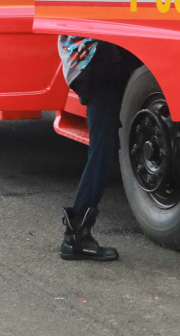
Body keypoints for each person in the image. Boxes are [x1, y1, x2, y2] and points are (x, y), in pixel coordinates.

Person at [56, 35, 137, 262]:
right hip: (95, 62)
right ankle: (76, 237)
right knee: (102, 151)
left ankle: (76, 235)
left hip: (88, 63)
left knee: (104, 148)